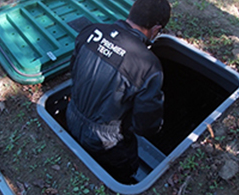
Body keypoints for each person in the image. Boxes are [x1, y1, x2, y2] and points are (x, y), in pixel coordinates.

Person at [66, 0, 171, 184]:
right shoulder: (148, 65)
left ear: (132, 13)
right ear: (156, 29)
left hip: (71, 118)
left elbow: (73, 71)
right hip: (107, 143)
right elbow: (145, 126)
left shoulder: (91, 31)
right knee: (123, 170)